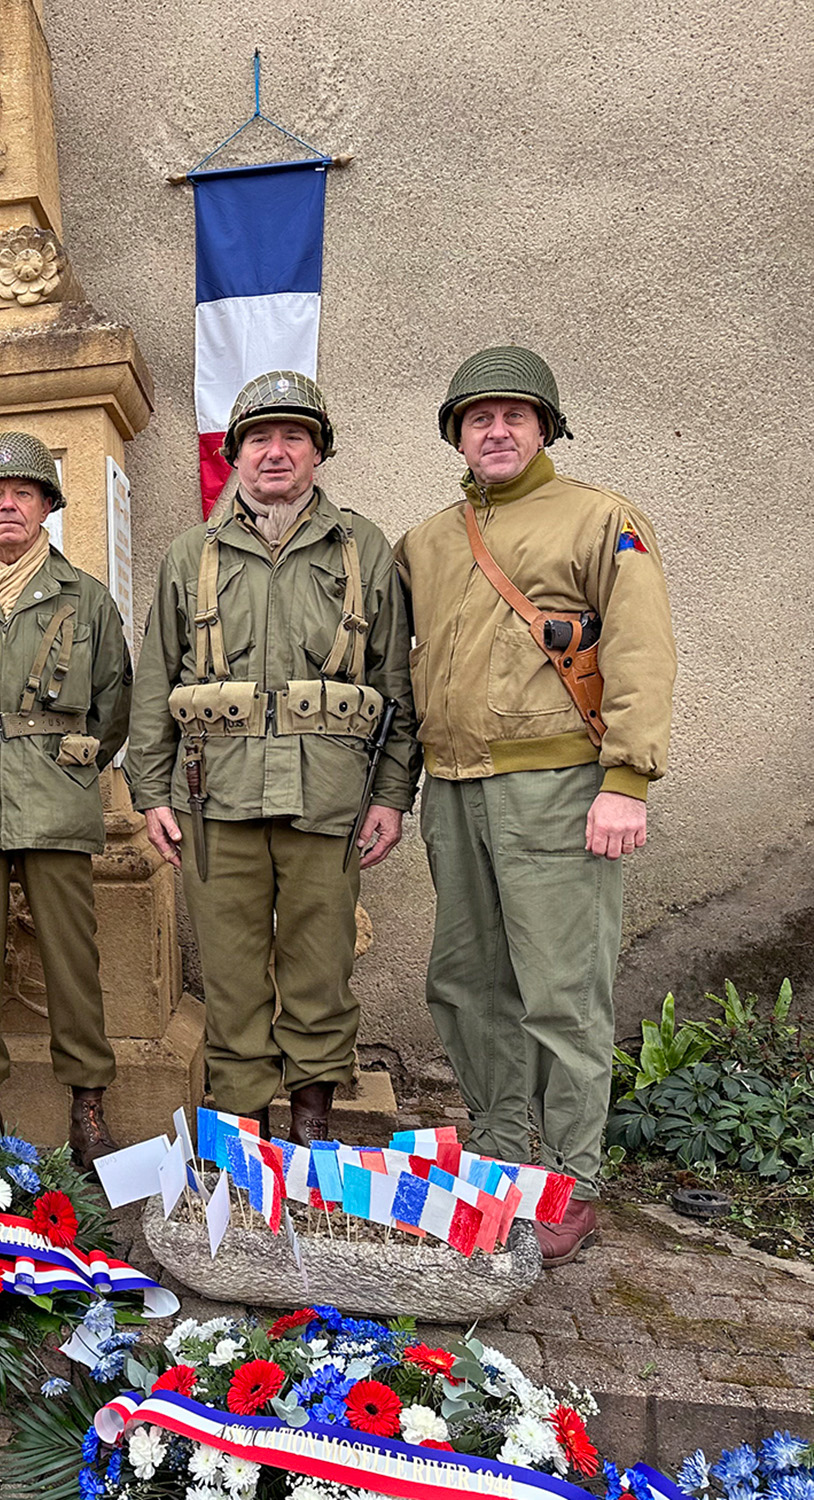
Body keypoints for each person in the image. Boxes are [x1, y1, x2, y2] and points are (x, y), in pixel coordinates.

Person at [396, 346, 675, 1266]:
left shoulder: (600, 519)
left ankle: (567, 1178)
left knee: (561, 991)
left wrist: (626, 780)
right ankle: (501, 1150)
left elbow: (639, 651)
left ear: (546, 426)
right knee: (469, 983)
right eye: (479, 418)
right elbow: (410, 675)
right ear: (457, 435)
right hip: (455, 787)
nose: (498, 430)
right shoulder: (427, 542)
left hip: (561, 789)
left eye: (516, 415)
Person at [126, 373, 417, 1146]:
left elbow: (397, 685)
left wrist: (391, 796)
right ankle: (246, 1147)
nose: (276, 452)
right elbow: (157, 678)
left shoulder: (365, 548)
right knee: (230, 979)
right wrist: (150, 791)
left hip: (330, 801)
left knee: (321, 974)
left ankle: (313, 1134)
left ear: (319, 452)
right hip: (214, 805)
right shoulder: (192, 555)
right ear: (235, 457)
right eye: (260, 438)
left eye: (294, 436)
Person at [0, 432, 131, 1167]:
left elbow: (114, 707)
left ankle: (88, 1104)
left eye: (22, 492)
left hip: (58, 798)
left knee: (73, 960)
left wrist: (70, 765)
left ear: (47, 505)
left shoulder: (88, 599)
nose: (7, 504)